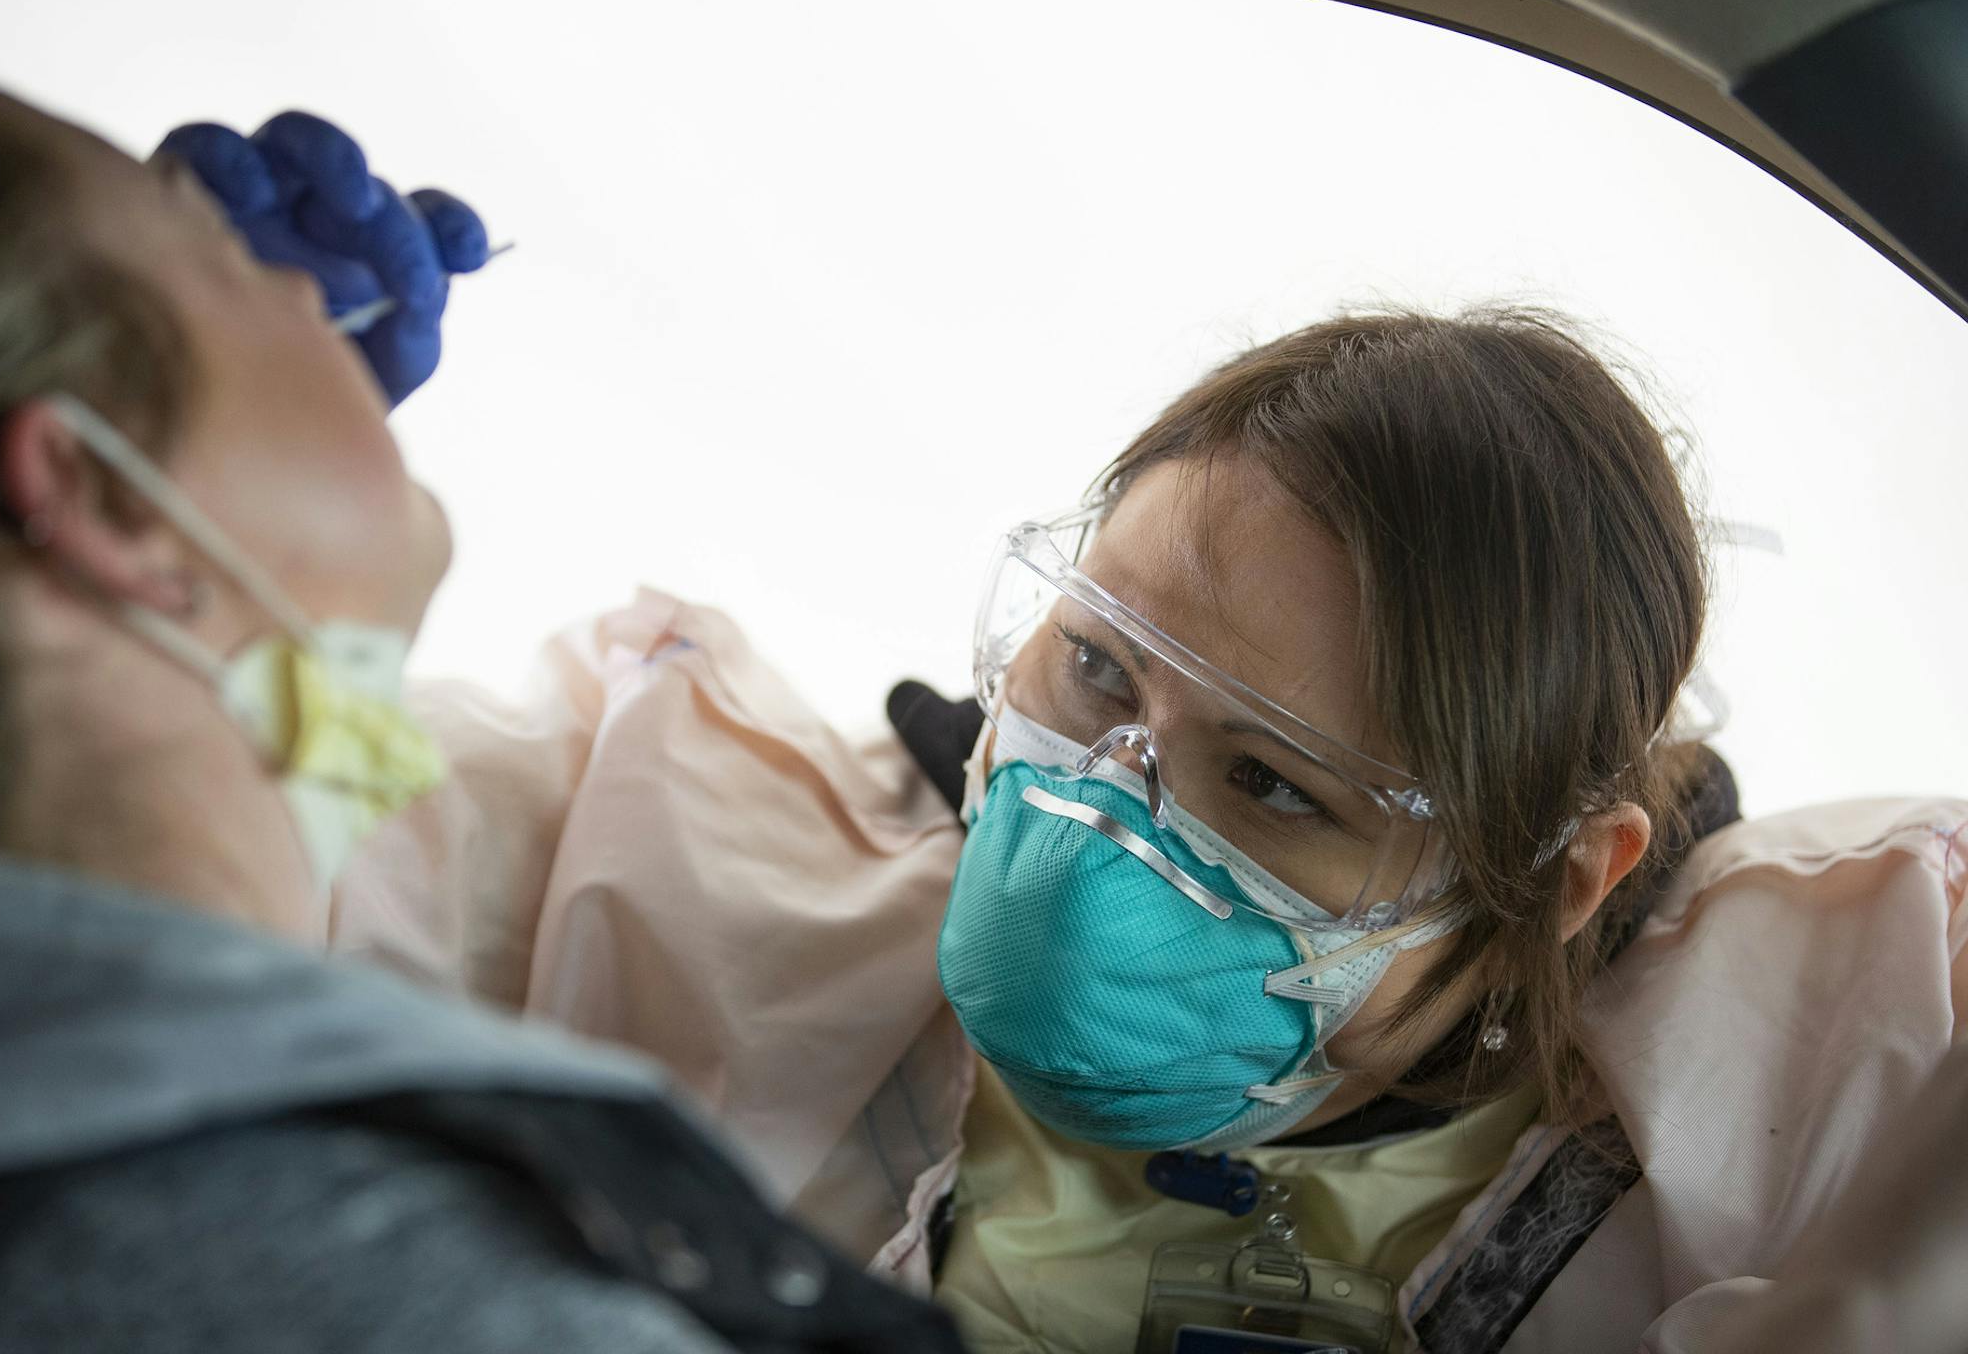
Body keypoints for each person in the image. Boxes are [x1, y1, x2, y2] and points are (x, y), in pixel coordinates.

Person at [238, 133, 1968, 1352]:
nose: (1094, 826)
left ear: (1563, 873)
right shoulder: (671, 844)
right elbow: (164, 883)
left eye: (1273, 784)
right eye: (1098, 677)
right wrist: (195, 564)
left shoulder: (1825, 1056)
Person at [0, 8, 968, 1354]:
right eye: (220, 268)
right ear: (95, 496)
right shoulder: (374, 1296)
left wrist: (260, 567)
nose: (308, 293)